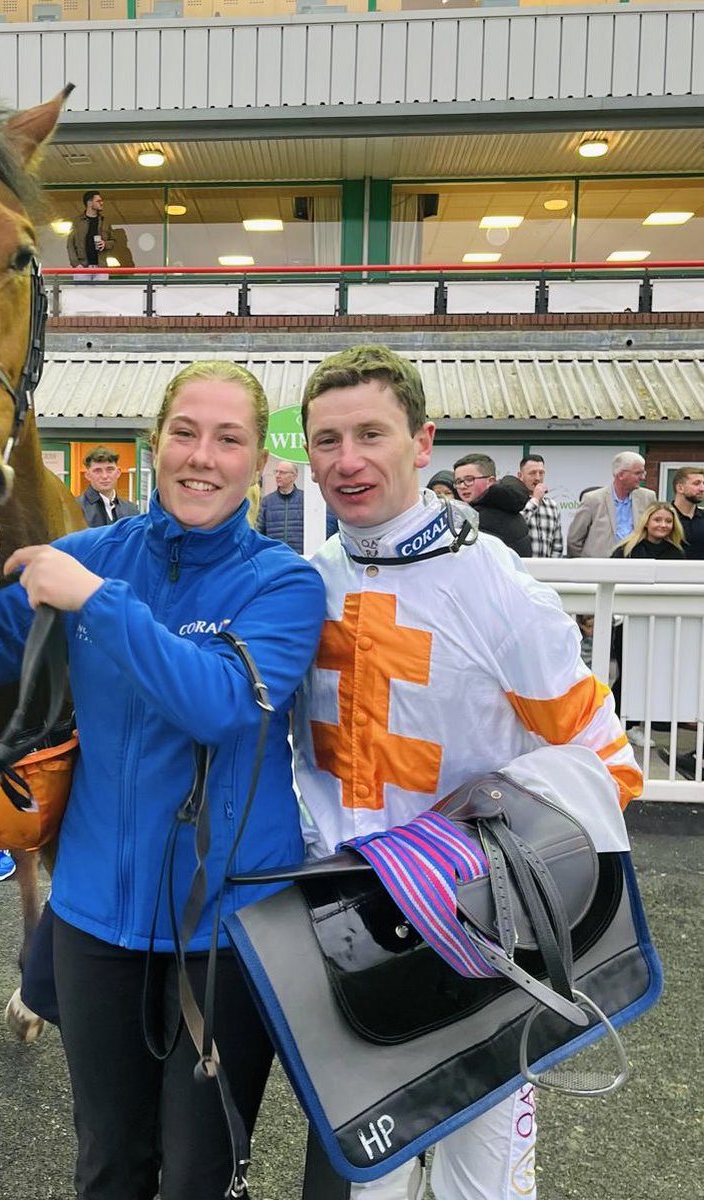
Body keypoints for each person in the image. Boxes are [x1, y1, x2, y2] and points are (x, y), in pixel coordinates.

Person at [0, 360, 325, 1200]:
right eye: (184, 432)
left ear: (257, 462)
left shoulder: (283, 583)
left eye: (228, 439)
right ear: (154, 445)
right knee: (108, 1161)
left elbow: (219, 703)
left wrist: (98, 602)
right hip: (95, 924)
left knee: (199, 1173)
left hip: (227, 929)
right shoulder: (91, 554)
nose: (202, 456)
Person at [292, 344, 640, 1200]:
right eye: (327, 439)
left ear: (422, 440)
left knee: (482, 1190)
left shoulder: (499, 589)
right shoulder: (303, 585)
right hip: (346, 932)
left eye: (370, 433)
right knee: (365, 1181)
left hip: (483, 939)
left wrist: (476, 857)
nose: (348, 460)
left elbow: (607, 763)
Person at [567, 451, 657, 558]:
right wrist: (585, 567)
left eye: (643, 473)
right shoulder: (592, 500)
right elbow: (574, 540)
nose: (643, 477)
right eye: (638, 473)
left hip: (636, 566)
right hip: (599, 569)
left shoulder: (648, 498)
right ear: (621, 475)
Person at [452, 452, 531, 556]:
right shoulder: (508, 508)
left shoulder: (483, 518)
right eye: (458, 481)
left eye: (469, 479)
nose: (462, 486)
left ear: (490, 481)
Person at [255, 461, 336, 554]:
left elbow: (327, 526)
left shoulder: (306, 500)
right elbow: (259, 531)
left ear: (294, 476)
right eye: (276, 471)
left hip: (301, 556)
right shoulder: (267, 501)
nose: (277, 475)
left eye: (282, 472)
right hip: (275, 557)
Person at [77, 445, 138, 527]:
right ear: (87, 475)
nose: (105, 476)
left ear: (118, 472)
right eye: (97, 471)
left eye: (110, 470)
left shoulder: (131, 510)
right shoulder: (76, 508)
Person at [517, 453, 564, 557]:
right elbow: (516, 527)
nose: (537, 478)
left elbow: (557, 544)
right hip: (521, 568)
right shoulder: (513, 501)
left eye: (541, 473)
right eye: (532, 473)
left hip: (546, 570)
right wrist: (535, 500)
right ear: (520, 476)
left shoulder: (552, 506)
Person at [610, 500, 686, 560]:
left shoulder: (676, 553)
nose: (663, 525)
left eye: (668, 521)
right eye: (657, 520)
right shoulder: (627, 550)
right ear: (646, 522)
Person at [65, 190, 115, 271]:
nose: (102, 203)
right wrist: (76, 264)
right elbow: (70, 244)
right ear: (90, 203)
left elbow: (113, 242)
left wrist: (105, 244)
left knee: (102, 284)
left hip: (101, 267)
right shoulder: (77, 221)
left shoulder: (104, 221)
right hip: (82, 267)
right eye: (98, 201)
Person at [670, 465, 704, 560]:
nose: (702, 489)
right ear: (680, 488)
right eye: (696, 483)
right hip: (670, 572)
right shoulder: (665, 518)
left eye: (703, 483)